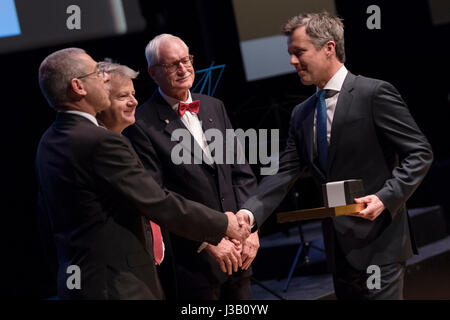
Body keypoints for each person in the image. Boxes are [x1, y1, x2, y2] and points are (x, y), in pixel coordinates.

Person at [237, 12, 433, 300]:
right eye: (290, 53)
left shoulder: (373, 93)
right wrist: (248, 213)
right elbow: (284, 171)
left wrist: (385, 197)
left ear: (329, 48)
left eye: (299, 52)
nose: (292, 61)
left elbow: (419, 152)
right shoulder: (301, 113)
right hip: (339, 251)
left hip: (379, 244)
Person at [35, 48, 250, 299]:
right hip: (117, 285)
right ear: (78, 86)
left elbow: (46, 222)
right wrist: (224, 224)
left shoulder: (48, 140)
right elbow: (157, 201)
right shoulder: (99, 141)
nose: (104, 80)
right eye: (97, 74)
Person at [123, 34, 259, 300]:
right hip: (194, 264)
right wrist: (207, 239)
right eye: (173, 64)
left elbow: (241, 172)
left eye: (186, 60)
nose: (183, 69)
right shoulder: (140, 124)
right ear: (153, 72)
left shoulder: (213, 106)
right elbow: (156, 195)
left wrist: (251, 225)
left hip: (240, 252)